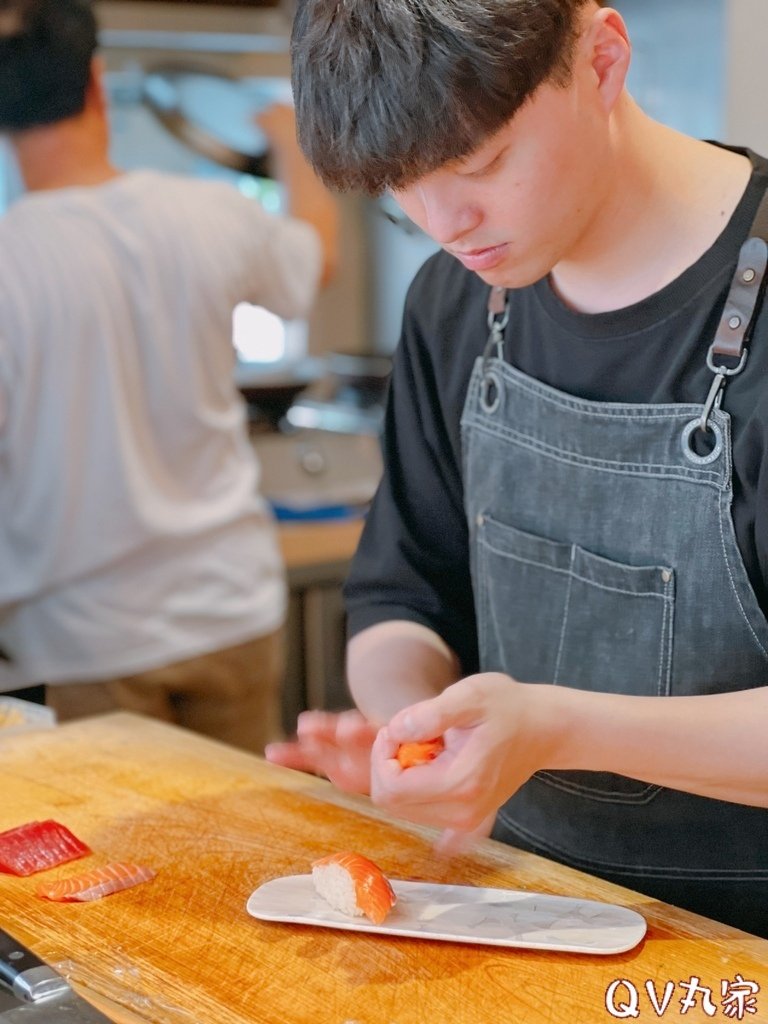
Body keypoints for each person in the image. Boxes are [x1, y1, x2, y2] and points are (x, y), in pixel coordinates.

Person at [266, 0, 768, 937]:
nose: (443, 222)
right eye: (401, 188)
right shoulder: (456, 299)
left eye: (480, 164)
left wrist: (556, 728)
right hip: (519, 913)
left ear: (602, 59)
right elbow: (401, 596)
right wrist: (417, 731)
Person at [0, 0, 337, 753]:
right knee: (245, 848)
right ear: (96, 83)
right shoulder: (208, 213)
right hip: (229, 611)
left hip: (84, 638)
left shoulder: (9, 260)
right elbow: (317, 260)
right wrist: (290, 138)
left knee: (123, 866)